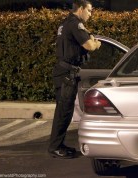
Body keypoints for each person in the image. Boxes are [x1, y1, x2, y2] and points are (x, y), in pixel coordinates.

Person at [48, 0, 101, 159]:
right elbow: (89, 46)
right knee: (64, 112)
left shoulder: (66, 23)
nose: (91, 14)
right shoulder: (75, 24)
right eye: (89, 10)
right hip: (66, 74)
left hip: (64, 72)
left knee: (64, 111)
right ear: (81, 8)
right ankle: (55, 147)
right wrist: (97, 43)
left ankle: (58, 145)